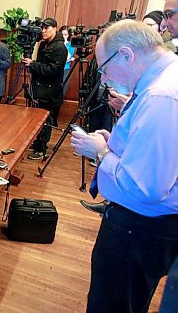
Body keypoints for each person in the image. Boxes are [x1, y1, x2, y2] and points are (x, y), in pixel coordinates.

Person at [70, 19, 178, 312]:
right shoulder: (164, 80)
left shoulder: (161, 97)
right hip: (146, 226)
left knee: (113, 304)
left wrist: (103, 153)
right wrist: (116, 143)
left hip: (138, 226)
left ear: (127, 55)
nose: (104, 79)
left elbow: (148, 187)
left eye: (104, 69)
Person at [23, 18, 67, 160]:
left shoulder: (60, 48)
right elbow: (42, 65)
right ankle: (37, 143)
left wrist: (33, 64)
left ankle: (41, 149)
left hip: (50, 92)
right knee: (38, 119)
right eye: (42, 28)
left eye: (47, 28)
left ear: (55, 28)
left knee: (46, 120)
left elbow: (53, 70)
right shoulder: (43, 44)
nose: (43, 31)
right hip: (39, 88)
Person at [59, 25, 75, 92]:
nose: (63, 36)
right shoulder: (56, 44)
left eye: (65, 34)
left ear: (68, 35)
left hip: (65, 69)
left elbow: (67, 58)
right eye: (62, 34)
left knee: (63, 88)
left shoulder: (71, 45)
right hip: (54, 68)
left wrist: (64, 45)